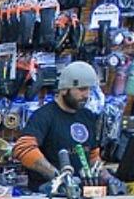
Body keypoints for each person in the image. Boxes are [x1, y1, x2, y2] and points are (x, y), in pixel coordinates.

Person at [13, 61, 102, 190]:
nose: (86, 95)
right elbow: (23, 149)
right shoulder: (44, 116)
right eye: (82, 89)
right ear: (64, 89)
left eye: (89, 89)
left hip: (82, 192)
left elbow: (93, 155)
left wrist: (108, 178)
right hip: (48, 194)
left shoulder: (88, 116)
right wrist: (57, 176)